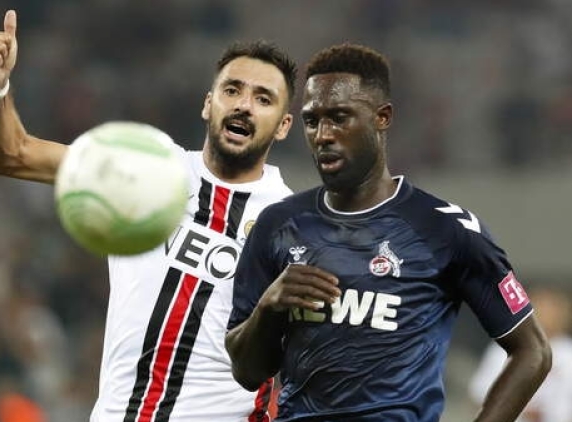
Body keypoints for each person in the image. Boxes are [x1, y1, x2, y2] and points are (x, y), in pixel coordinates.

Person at [0, 9, 296, 422]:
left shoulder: (293, 224)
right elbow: (12, 154)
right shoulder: (144, 169)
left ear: (283, 125)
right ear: (207, 104)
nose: (244, 106)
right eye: (232, 90)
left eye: (263, 99)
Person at [225, 43, 552, 422]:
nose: (323, 135)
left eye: (339, 117)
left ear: (382, 117)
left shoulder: (446, 230)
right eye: (312, 121)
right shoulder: (278, 226)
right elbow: (247, 373)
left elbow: (533, 351)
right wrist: (269, 306)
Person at [470, 285, 572, 422]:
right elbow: (480, 394)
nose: (546, 314)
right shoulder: (504, 346)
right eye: (540, 307)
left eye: (552, 310)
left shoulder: (568, 353)